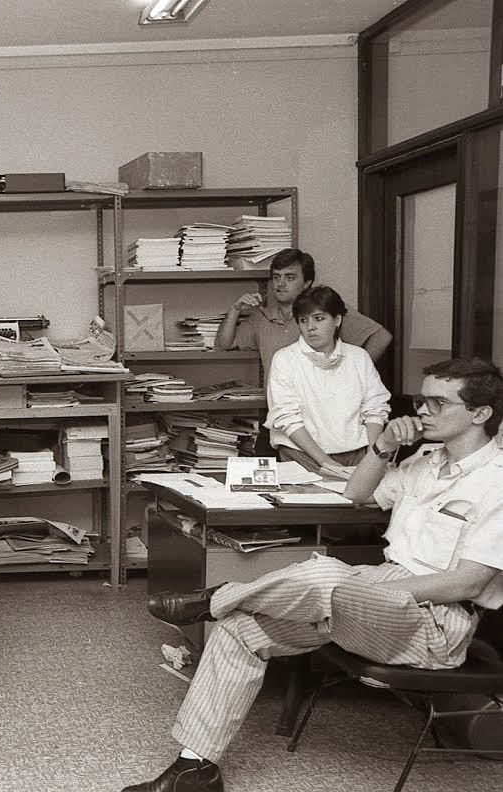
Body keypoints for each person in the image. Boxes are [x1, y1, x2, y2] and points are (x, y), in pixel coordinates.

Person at [123, 358, 503, 792]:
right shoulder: (425, 462)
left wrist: (366, 589)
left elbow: (468, 582)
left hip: (436, 621)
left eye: (437, 403)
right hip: (380, 596)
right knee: (238, 629)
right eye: (421, 400)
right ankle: (195, 770)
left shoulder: (496, 482)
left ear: (480, 413)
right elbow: (356, 493)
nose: (421, 411)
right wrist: (382, 447)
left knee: (327, 577)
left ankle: (217, 597)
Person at [265, 285, 390, 477]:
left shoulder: (359, 357)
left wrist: (373, 458)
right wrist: (327, 463)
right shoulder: (285, 359)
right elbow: (287, 418)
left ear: (337, 320)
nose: (310, 327)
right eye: (303, 320)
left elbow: (375, 409)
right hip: (303, 456)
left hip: (357, 454)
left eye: (319, 318)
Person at [216, 248, 392, 378]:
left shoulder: (325, 311)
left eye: (290, 277)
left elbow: (382, 337)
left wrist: (353, 376)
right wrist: (235, 309)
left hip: (321, 410)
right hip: (282, 410)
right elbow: (224, 344)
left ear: (307, 283)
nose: (280, 283)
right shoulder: (262, 317)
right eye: (276, 277)